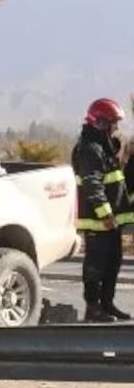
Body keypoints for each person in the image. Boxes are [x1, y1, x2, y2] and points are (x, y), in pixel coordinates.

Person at [72, 98, 133, 322]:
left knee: (113, 263)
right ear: (100, 123)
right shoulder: (90, 148)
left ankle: (107, 304)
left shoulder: (105, 147)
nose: (116, 129)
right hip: (98, 221)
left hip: (111, 221)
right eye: (113, 124)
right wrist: (105, 213)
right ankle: (93, 308)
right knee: (95, 265)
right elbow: (92, 184)